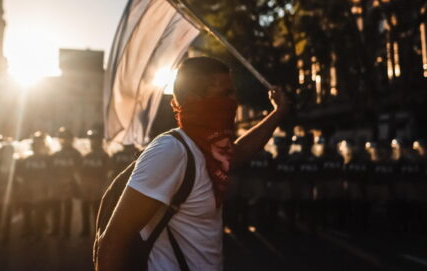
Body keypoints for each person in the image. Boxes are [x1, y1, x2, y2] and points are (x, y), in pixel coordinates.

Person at [97, 56, 289, 271]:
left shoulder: (208, 147)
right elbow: (112, 241)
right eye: (225, 94)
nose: (234, 101)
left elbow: (241, 151)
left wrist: (278, 113)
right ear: (194, 99)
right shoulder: (171, 151)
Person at [16, 132, 52, 239]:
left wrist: (48, 188)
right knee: (27, 210)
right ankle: (27, 229)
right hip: (28, 188)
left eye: (39, 144)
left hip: (41, 189)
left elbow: (51, 174)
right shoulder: (27, 159)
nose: (37, 146)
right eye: (35, 144)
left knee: (40, 210)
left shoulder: (47, 159)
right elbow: (21, 174)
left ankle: (38, 231)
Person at [49, 127, 82, 238]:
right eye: (62, 138)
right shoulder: (56, 154)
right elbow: (52, 170)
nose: (63, 140)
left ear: (71, 139)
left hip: (69, 184)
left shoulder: (76, 154)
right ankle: (55, 229)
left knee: (67, 206)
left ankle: (66, 231)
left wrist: (74, 183)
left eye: (66, 138)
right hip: (57, 185)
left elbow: (79, 170)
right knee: (55, 206)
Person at [78, 129, 110, 237]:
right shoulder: (86, 155)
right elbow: (81, 172)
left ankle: (98, 231)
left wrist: (103, 187)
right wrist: (82, 185)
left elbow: (107, 172)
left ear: (99, 141)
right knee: (85, 208)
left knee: (98, 211)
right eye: (92, 139)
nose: (93, 141)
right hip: (87, 187)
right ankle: (85, 230)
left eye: (95, 139)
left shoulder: (105, 156)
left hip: (98, 187)